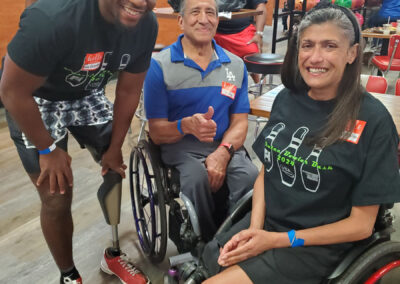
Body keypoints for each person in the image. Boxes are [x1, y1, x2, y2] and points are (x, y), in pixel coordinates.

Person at [202, 2, 400, 283]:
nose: (315, 57)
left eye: (330, 46)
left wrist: (277, 240)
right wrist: (255, 230)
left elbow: (361, 226)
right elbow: (266, 172)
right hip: (270, 225)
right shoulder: (286, 98)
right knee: (211, 263)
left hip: (315, 245)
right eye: (308, 45)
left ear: (352, 53)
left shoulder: (374, 121)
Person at [0, 0, 158, 283]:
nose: (140, 1)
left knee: (115, 170)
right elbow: (12, 92)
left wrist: (114, 149)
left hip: (86, 92)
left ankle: (113, 255)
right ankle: (69, 275)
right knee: (56, 195)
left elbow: (129, 90)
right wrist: (47, 149)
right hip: (35, 97)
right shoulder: (52, 18)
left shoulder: (146, 23)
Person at [143, 0, 258, 241]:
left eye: (210, 12)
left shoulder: (235, 65)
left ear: (218, 20)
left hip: (223, 144)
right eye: (195, 12)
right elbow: (156, 132)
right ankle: (207, 242)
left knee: (249, 176)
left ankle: (234, 237)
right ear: (181, 21)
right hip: (180, 146)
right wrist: (185, 125)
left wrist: (223, 152)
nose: (204, 19)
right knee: (196, 178)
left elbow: (239, 122)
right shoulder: (159, 67)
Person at [214, 0, 267, 83]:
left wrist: (259, 34)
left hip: (243, 33)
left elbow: (261, 7)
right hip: (215, 33)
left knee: (254, 58)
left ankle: (261, 89)